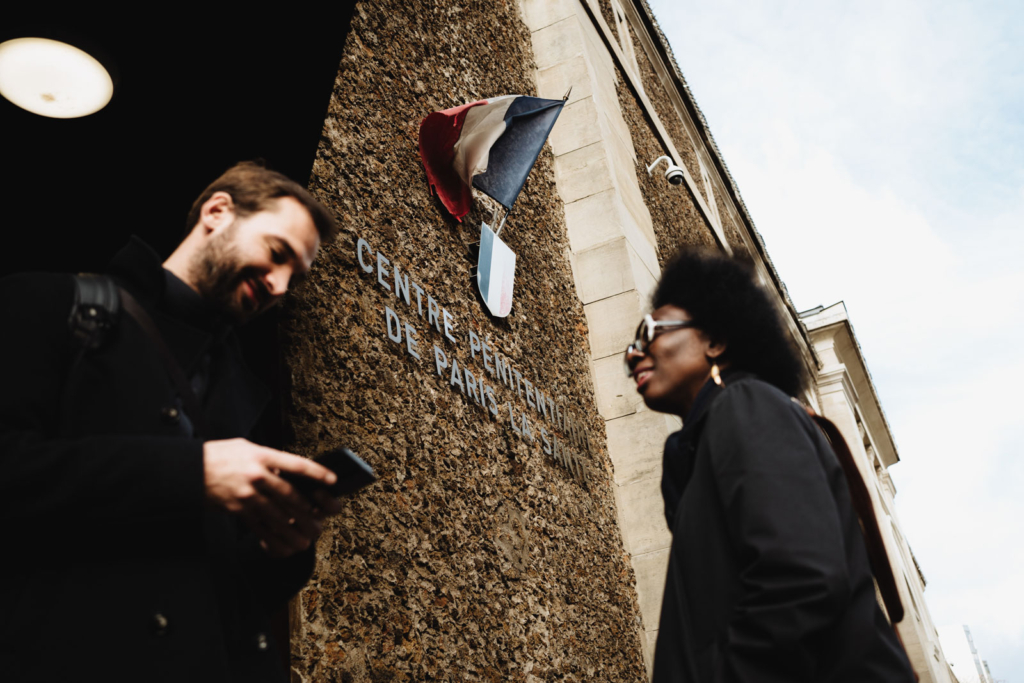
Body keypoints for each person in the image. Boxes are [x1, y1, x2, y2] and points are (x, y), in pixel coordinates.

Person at [0, 162, 345, 682]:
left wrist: (281, 550)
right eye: (277, 254)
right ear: (217, 212)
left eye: (294, 277)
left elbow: (216, 593)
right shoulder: (50, 304)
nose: (279, 285)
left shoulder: (244, 394)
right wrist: (193, 473)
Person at [625, 249, 916, 682]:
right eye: (632, 344)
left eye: (649, 332)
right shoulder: (695, 451)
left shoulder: (747, 406)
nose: (632, 355)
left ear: (715, 341)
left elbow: (801, 581)